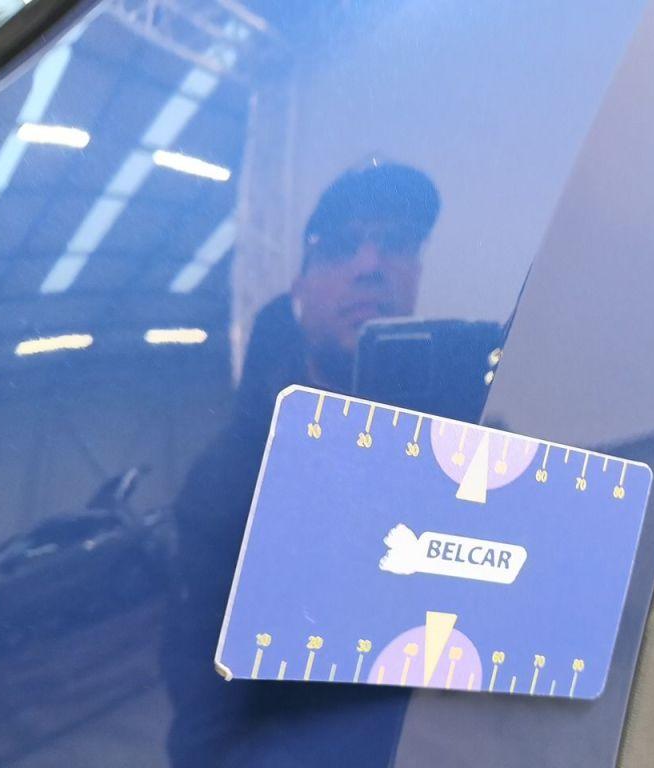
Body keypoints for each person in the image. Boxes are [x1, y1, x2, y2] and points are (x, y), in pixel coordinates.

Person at [162, 161, 440, 767]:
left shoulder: (460, 452)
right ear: (300, 290)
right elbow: (209, 731)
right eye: (340, 247)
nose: (371, 264)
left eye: (397, 243)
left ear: (417, 273)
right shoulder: (232, 479)